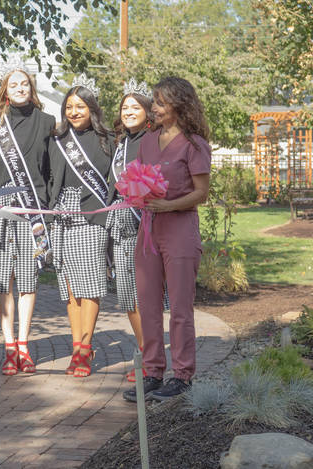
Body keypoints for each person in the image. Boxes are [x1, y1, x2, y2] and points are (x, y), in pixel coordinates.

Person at [123, 76, 211, 403]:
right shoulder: (147, 141)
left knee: (180, 308)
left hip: (180, 230)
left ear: (178, 105)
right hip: (148, 231)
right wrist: (135, 194)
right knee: (147, 305)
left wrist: (169, 204)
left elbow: (201, 193)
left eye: (160, 103)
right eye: (154, 102)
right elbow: (140, 179)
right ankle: (153, 373)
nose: (154, 108)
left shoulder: (194, 143)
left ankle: (183, 376)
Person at [0, 60, 55, 375]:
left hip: (33, 208)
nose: (19, 89)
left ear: (31, 88)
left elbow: (51, 169)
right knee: (5, 279)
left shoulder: (47, 121)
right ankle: (9, 346)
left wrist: (48, 206)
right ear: (5, 90)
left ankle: (24, 346)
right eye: (13, 85)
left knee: (28, 279)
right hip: (1, 206)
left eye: (24, 84)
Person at [49, 76, 115, 377]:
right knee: (71, 287)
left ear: (92, 108)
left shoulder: (108, 140)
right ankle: (77, 346)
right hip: (64, 215)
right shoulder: (58, 140)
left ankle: (86, 350)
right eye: (70, 107)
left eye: (81, 106)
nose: (74, 112)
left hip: (92, 216)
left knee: (90, 286)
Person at [106, 79, 153, 382]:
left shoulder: (153, 140)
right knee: (127, 295)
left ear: (148, 112)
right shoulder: (121, 142)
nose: (129, 112)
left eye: (135, 107)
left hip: (144, 224)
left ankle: (151, 357)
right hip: (122, 227)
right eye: (125, 107)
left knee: (143, 292)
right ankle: (145, 350)